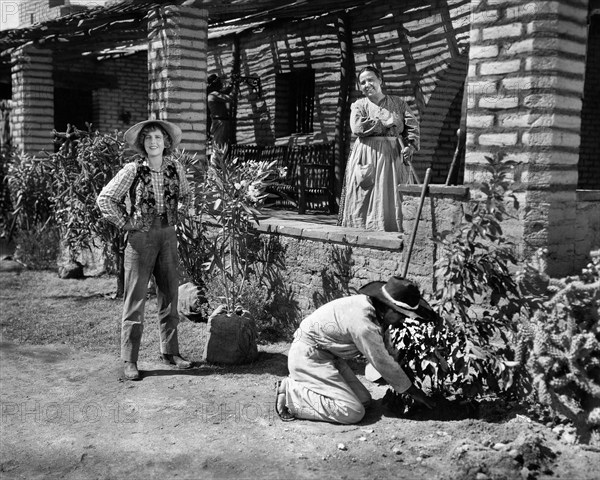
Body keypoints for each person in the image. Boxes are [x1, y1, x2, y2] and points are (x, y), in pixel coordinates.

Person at [97, 118, 193, 381]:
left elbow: (186, 195)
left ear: (166, 143)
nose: (153, 142)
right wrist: (126, 223)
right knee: (136, 298)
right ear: (142, 143)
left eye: (158, 138)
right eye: (148, 138)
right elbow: (105, 198)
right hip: (141, 239)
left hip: (167, 235)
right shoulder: (133, 169)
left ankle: (170, 352)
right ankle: (130, 359)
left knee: (170, 293)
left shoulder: (175, 168)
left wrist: (179, 212)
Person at [275, 276, 437, 424]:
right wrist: (416, 393)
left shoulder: (372, 308)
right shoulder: (364, 324)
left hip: (330, 357)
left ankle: (307, 388)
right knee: (352, 412)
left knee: (365, 401)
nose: (402, 320)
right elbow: (383, 363)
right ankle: (292, 393)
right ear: (389, 308)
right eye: (401, 315)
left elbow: (384, 352)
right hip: (308, 356)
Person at [338, 66, 420, 232]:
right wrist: (386, 122)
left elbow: (412, 126)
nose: (367, 84)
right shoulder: (359, 105)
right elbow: (357, 127)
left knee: (393, 194)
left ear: (380, 80)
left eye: (370, 80)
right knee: (364, 194)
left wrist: (411, 146)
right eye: (362, 82)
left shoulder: (398, 103)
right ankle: (362, 231)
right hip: (366, 155)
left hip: (393, 154)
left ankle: (394, 230)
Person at [207, 73, 237, 147]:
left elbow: (225, 92)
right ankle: (217, 158)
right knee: (220, 145)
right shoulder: (215, 94)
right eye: (219, 82)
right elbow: (230, 98)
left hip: (217, 121)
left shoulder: (212, 94)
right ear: (215, 84)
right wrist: (235, 87)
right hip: (221, 122)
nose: (221, 84)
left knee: (218, 143)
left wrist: (231, 84)